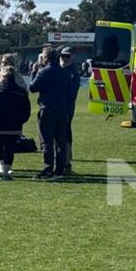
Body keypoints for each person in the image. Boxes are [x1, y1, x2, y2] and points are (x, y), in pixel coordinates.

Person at [29, 47, 71, 180]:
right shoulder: (64, 73)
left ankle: (48, 168)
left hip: (47, 108)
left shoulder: (43, 72)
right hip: (62, 109)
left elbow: (33, 88)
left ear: (45, 58)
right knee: (60, 141)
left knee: (46, 140)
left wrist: (34, 72)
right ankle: (60, 169)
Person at [59, 47, 80, 175]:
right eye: (62, 56)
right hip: (61, 106)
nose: (64, 59)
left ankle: (67, 156)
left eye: (67, 56)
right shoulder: (61, 70)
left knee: (66, 130)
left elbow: (72, 94)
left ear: (72, 57)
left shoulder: (73, 73)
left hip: (67, 106)